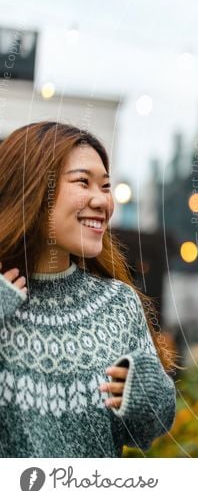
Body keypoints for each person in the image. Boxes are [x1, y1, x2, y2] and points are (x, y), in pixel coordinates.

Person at [0, 121, 176, 457]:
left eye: (106, 186)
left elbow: (147, 431)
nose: (102, 201)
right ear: (34, 187)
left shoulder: (118, 303)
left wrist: (145, 392)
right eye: (83, 182)